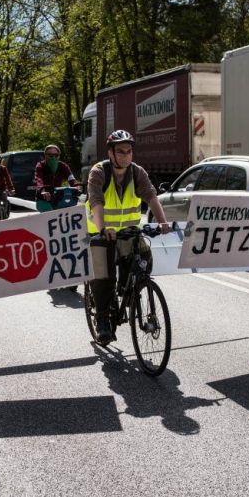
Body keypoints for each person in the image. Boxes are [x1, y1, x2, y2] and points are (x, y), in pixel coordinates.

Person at [86, 129, 171, 345]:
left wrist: (162, 222)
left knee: (144, 259)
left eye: (129, 151)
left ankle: (130, 290)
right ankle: (103, 320)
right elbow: (96, 201)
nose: (126, 155)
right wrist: (103, 228)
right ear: (111, 153)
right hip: (99, 231)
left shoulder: (137, 172)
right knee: (102, 276)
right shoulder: (99, 172)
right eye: (121, 151)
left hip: (128, 232)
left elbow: (151, 196)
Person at [34, 144, 78, 212]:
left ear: (59, 156)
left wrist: (76, 187)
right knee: (49, 214)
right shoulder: (40, 165)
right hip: (44, 198)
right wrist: (42, 190)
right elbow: (39, 179)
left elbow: (71, 178)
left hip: (58, 198)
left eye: (56, 155)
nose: (53, 158)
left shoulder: (62, 166)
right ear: (45, 155)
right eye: (50, 155)